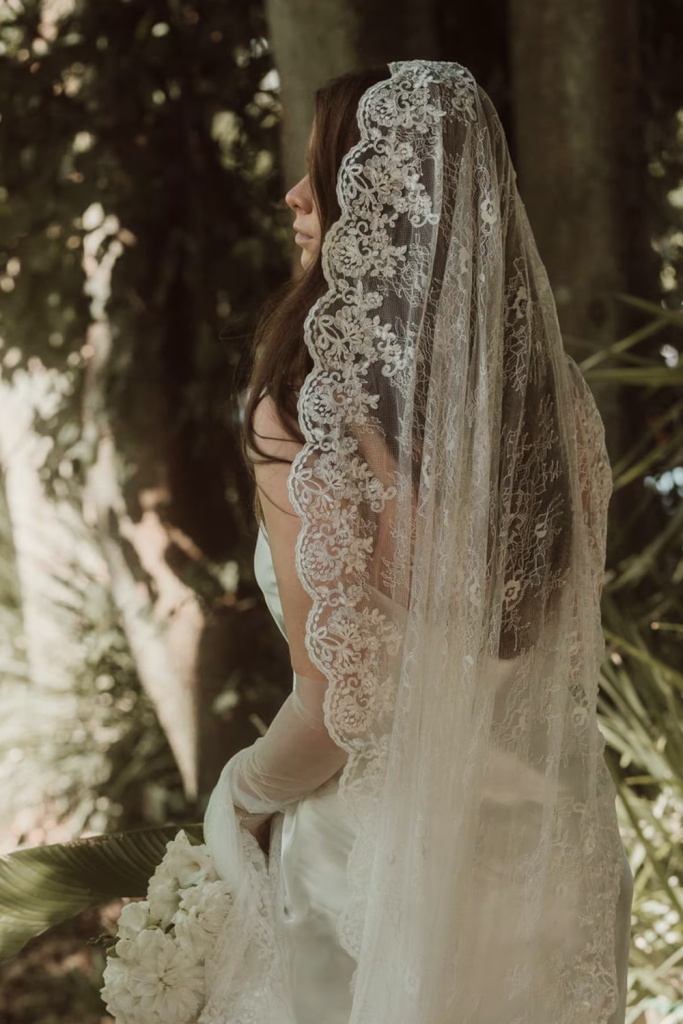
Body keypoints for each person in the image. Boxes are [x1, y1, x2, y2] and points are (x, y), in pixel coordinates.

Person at [200, 60, 634, 1024]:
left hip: (374, 870)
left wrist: (241, 792)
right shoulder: (560, 409)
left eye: (330, 166)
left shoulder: (309, 413)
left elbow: (336, 702)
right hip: (546, 863)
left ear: (389, 200)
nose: (296, 192)